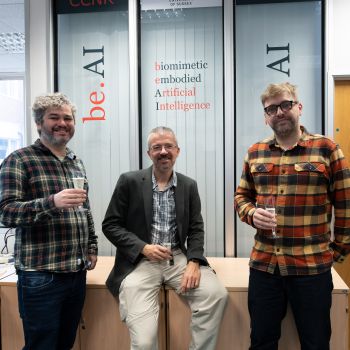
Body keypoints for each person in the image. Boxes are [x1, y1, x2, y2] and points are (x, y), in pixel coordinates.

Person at [234, 82, 350, 350]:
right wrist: (252, 213)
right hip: (265, 267)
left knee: (316, 343)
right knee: (261, 342)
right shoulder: (255, 152)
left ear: (299, 107)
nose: (279, 112)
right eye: (271, 108)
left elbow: (345, 205)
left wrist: (337, 252)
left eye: (285, 104)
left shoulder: (327, 149)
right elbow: (241, 198)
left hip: (311, 269)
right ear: (266, 116)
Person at [102, 126, 228, 350]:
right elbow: (110, 225)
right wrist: (143, 247)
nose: (163, 151)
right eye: (157, 147)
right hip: (139, 262)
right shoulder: (129, 181)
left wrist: (194, 261)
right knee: (144, 342)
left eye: (168, 146)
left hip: (177, 258)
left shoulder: (188, 185)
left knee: (216, 295)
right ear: (149, 153)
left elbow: (196, 228)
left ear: (177, 151)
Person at [0, 93, 98, 350]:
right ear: (39, 123)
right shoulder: (19, 160)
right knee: (41, 345)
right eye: (54, 117)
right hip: (40, 275)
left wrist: (91, 247)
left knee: (65, 343)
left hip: (75, 272)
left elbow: (84, 209)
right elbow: (6, 213)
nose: (62, 123)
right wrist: (51, 202)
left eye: (68, 118)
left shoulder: (76, 162)